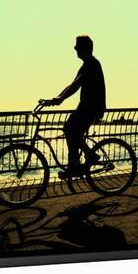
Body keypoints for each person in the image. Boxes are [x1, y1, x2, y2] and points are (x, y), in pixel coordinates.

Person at [47, 35, 106, 177]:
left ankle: (80, 161)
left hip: (91, 107)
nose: (75, 49)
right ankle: (80, 160)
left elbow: (76, 85)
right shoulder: (86, 64)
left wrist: (60, 98)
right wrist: (56, 98)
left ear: (84, 48)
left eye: (77, 46)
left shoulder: (91, 64)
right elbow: (72, 84)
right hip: (86, 106)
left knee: (71, 129)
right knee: (70, 129)